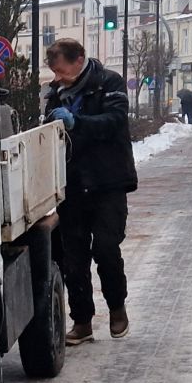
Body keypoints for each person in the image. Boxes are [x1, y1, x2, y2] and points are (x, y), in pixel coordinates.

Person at [44, 37, 138, 343]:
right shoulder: (56, 94)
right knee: (74, 257)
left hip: (107, 182)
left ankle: (117, 309)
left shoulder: (109, 83)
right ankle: (82, 321)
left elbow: (115, 121)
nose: (58, 77)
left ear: (79, 60)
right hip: (72, 185)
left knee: (106, 249)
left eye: (61, 70)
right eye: (54, 72)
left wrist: (77, 122)